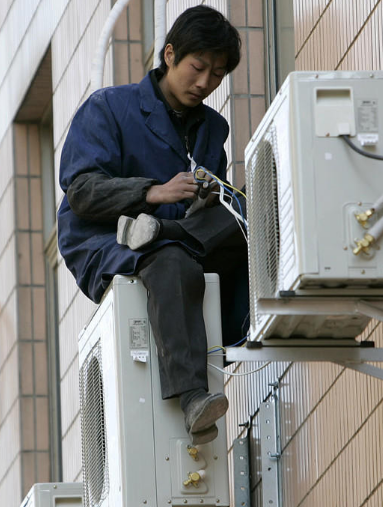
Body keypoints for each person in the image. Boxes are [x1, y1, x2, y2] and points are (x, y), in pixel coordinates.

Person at [57, 5, 248, 444]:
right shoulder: (110, 106)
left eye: (217, 76)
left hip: (177, 236)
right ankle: (193, 398)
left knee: (242, 218)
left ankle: (244, 330)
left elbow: (213, 207)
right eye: (198, 68)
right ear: (169, 54)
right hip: (106, 241)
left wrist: (207, 201)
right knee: (171, 261)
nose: (205, 83)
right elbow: (82, 191)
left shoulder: (211, 128)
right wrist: (151, 192)